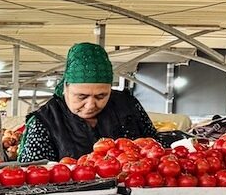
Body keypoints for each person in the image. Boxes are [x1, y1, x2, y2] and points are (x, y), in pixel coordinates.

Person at [18, 42, 159, 163]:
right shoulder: (44, 122)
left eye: (101, 96)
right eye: (81, 96)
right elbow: (34, 172)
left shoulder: (128, 105)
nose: (91, 105)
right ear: (66, 87)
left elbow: (156, 149)